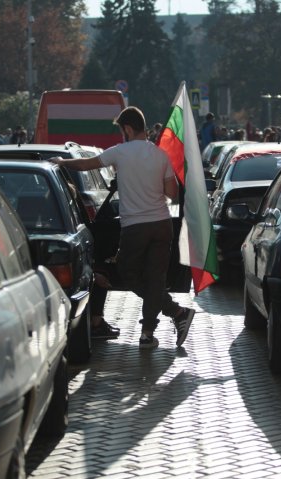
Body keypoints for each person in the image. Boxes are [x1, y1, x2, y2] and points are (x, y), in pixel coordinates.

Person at [48, 106, 195, 350]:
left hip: (135, 226)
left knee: (128, 273)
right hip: (162, 225)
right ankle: (148, 334)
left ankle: (177, 312)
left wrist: (62, 161)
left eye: (121, 131)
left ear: (127, 129)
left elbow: (86, 165)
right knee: (155, 279)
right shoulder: (160, 154)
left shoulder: (120, 152)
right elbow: (173, 193)